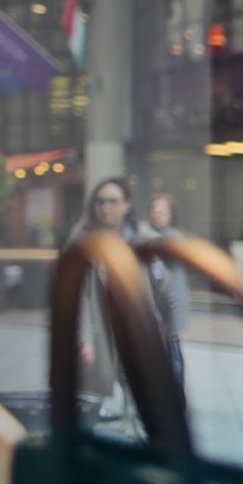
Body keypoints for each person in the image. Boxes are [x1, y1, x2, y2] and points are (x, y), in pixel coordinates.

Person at [66, 177, 159, 419]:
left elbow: (162, 285)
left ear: (127, 204)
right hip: (101, 321)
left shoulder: (142, 237)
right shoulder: (83, 237)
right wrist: (84, 338)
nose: (105, 207)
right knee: (101, 379)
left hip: (136, 318)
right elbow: (79, 294)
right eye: (100, 202)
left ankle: (135, 419)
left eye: (112, 201)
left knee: (138, 374)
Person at [145, 193, 190, 385]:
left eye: (162, 211)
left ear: (171, 216)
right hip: (162, 302)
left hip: (170, 303)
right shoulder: (156, 236)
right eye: (154, 210)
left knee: (171, 347)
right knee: (169, 346)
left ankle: (177, 392)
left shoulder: (173, 238)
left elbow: (163, 273)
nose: (157, 214)